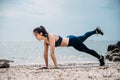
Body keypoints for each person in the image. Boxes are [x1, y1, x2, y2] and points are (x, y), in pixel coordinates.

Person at [33, 25, 105, 69]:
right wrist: (46, 66)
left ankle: (100, 57)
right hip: (69, 39)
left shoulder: (50, 37)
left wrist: (56, 66)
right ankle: (95, 31)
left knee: (86, 50)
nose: (35, 37)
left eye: (36, 35)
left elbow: (52, 53)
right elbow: (45, 54)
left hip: (72, 41)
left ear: (41, 33)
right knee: (83, 37)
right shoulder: (45, 41)